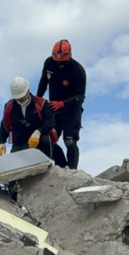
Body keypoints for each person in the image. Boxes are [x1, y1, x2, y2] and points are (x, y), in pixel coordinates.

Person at [36, 39, 86, 169]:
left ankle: (72, 171)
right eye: (56, 58)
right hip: (53, 109)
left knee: (70, 141)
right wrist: (37, 101)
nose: (58, 62)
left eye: (62, 60)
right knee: (48, 140)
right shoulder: (49, 63)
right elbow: (43, 83)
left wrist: (62, 104)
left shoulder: (77, 70)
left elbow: (80, 97)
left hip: (71, 110)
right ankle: (61, 165)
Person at [0, 77, 55, 159]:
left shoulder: (42, 103)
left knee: (44, 142)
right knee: (17, 165)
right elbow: (4, 124)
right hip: (19, 142)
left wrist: (39, 132)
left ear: (28, 90)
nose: (20, 99)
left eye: (22, 96)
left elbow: (51, 121)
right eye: (18, 97)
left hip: (39, 141)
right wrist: (1, 142)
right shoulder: (9, 107)